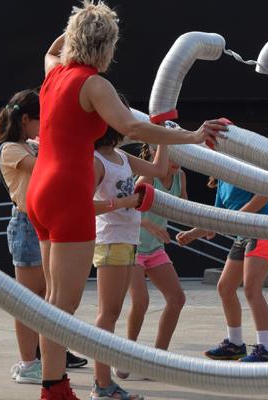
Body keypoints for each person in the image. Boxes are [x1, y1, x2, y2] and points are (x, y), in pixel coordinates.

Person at [29, 2, 225, 398]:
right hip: (69, 193)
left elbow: (52, 51)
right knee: (61, 305)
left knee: (52, 301)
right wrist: (190, 136)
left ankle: (54, 384)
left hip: (40, 191)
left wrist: (81, 24)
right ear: (107, 46)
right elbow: (132, 126)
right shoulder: (93, 83)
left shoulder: (55, 72)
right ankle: (54, 389)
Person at [89, 118, 173, 399]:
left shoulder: (121, 156)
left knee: (112, 312)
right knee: (108, 313)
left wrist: (164, 136)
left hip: (128, 240)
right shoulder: (96, 160)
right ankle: (102, 384)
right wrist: (124, 203)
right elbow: (84, 204)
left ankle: (105, 383)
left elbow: (159, 170)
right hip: (111, 241)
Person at [177, 179, 268, 363]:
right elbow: (218, 219)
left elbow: (264, 194)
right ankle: (235, 344)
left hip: (264, 230)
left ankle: (266, 349)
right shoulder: (222, 181)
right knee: (225, 287)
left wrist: (236, 218)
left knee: (251, 289)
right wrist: (192, 234)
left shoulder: (242, 169)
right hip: (243, 235)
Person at [115, 142, 188, 380]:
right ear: (158, 153)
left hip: (154, 248)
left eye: (181, 156)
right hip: (133, 245)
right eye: (172, 155)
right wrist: (150, 224)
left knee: (177, 299)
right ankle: (127, 354)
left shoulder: (180, 177)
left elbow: (186, 209)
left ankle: (158, 359)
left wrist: (201, 228)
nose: (176, 162)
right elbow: (127, 207)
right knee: (141, 301)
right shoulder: (148, 176)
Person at [0, 89, 47, 384]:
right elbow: (44, 171)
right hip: (26, 225)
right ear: (25, 119)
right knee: (26, 300)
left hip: (43, 224)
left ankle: (43, 357)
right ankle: (29, 363)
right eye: (41, 120)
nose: (44, 126)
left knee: (45, 297)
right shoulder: (11, 149)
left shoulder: (29, 144)